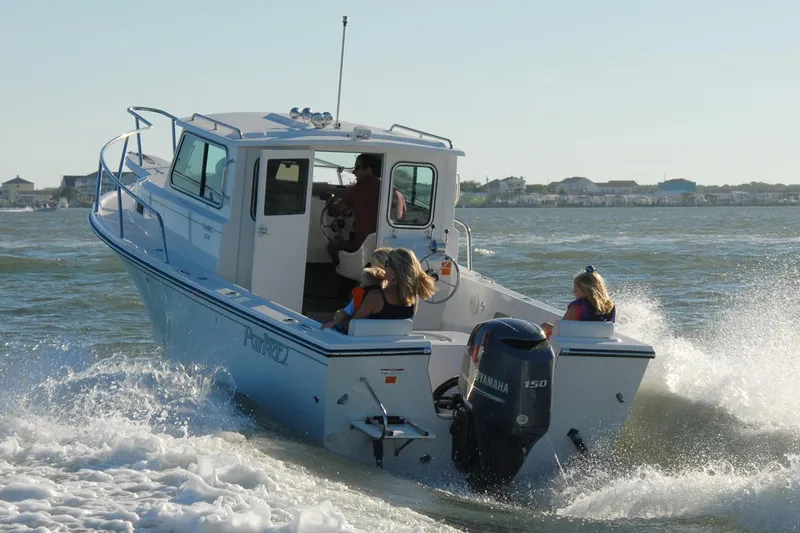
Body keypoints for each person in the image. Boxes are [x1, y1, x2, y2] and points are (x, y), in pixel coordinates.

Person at [325, 153, 382, 266]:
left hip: (361, 247)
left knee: (333, 246)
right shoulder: (392, 190)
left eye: (357, 168)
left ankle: (345, 278)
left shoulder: (358, 189)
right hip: (382, 248)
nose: (354, 172)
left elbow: (336, 210)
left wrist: (330, 203)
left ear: (368, 170)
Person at [351, 248, 437, 321]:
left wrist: (342, 317)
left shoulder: (375, 296)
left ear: (395, 272)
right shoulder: (413, 300)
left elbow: (353, 326)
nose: (384, 267)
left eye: (387, 264)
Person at [541, 266, 616, 338]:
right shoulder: (609, 306)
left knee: (545, 326)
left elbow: (562, 331)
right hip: (597, 343)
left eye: (576, 290)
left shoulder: (576, 308)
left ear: (586, 291)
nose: (573, 292)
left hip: (572, 343)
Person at [322, 266, 386, 333]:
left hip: (359, 326)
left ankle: (332, 325)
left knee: (340, 313)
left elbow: (346, 312)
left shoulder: (360, 294)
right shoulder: (385, 295)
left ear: (365, 282)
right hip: (376, 327)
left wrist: (333, 322)